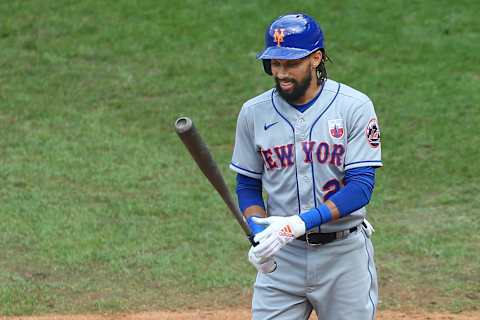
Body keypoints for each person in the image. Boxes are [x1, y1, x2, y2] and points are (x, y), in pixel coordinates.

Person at [229, 13, 382, 320]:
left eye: (291, 64)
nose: (281, 73)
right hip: (283, 258)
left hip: (343, 257)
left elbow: (361, 187)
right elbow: (247, 185)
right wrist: (259, 230)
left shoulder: (354, 106)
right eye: (275, 63)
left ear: (316, 58)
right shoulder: (253, 113)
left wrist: (299, 222)